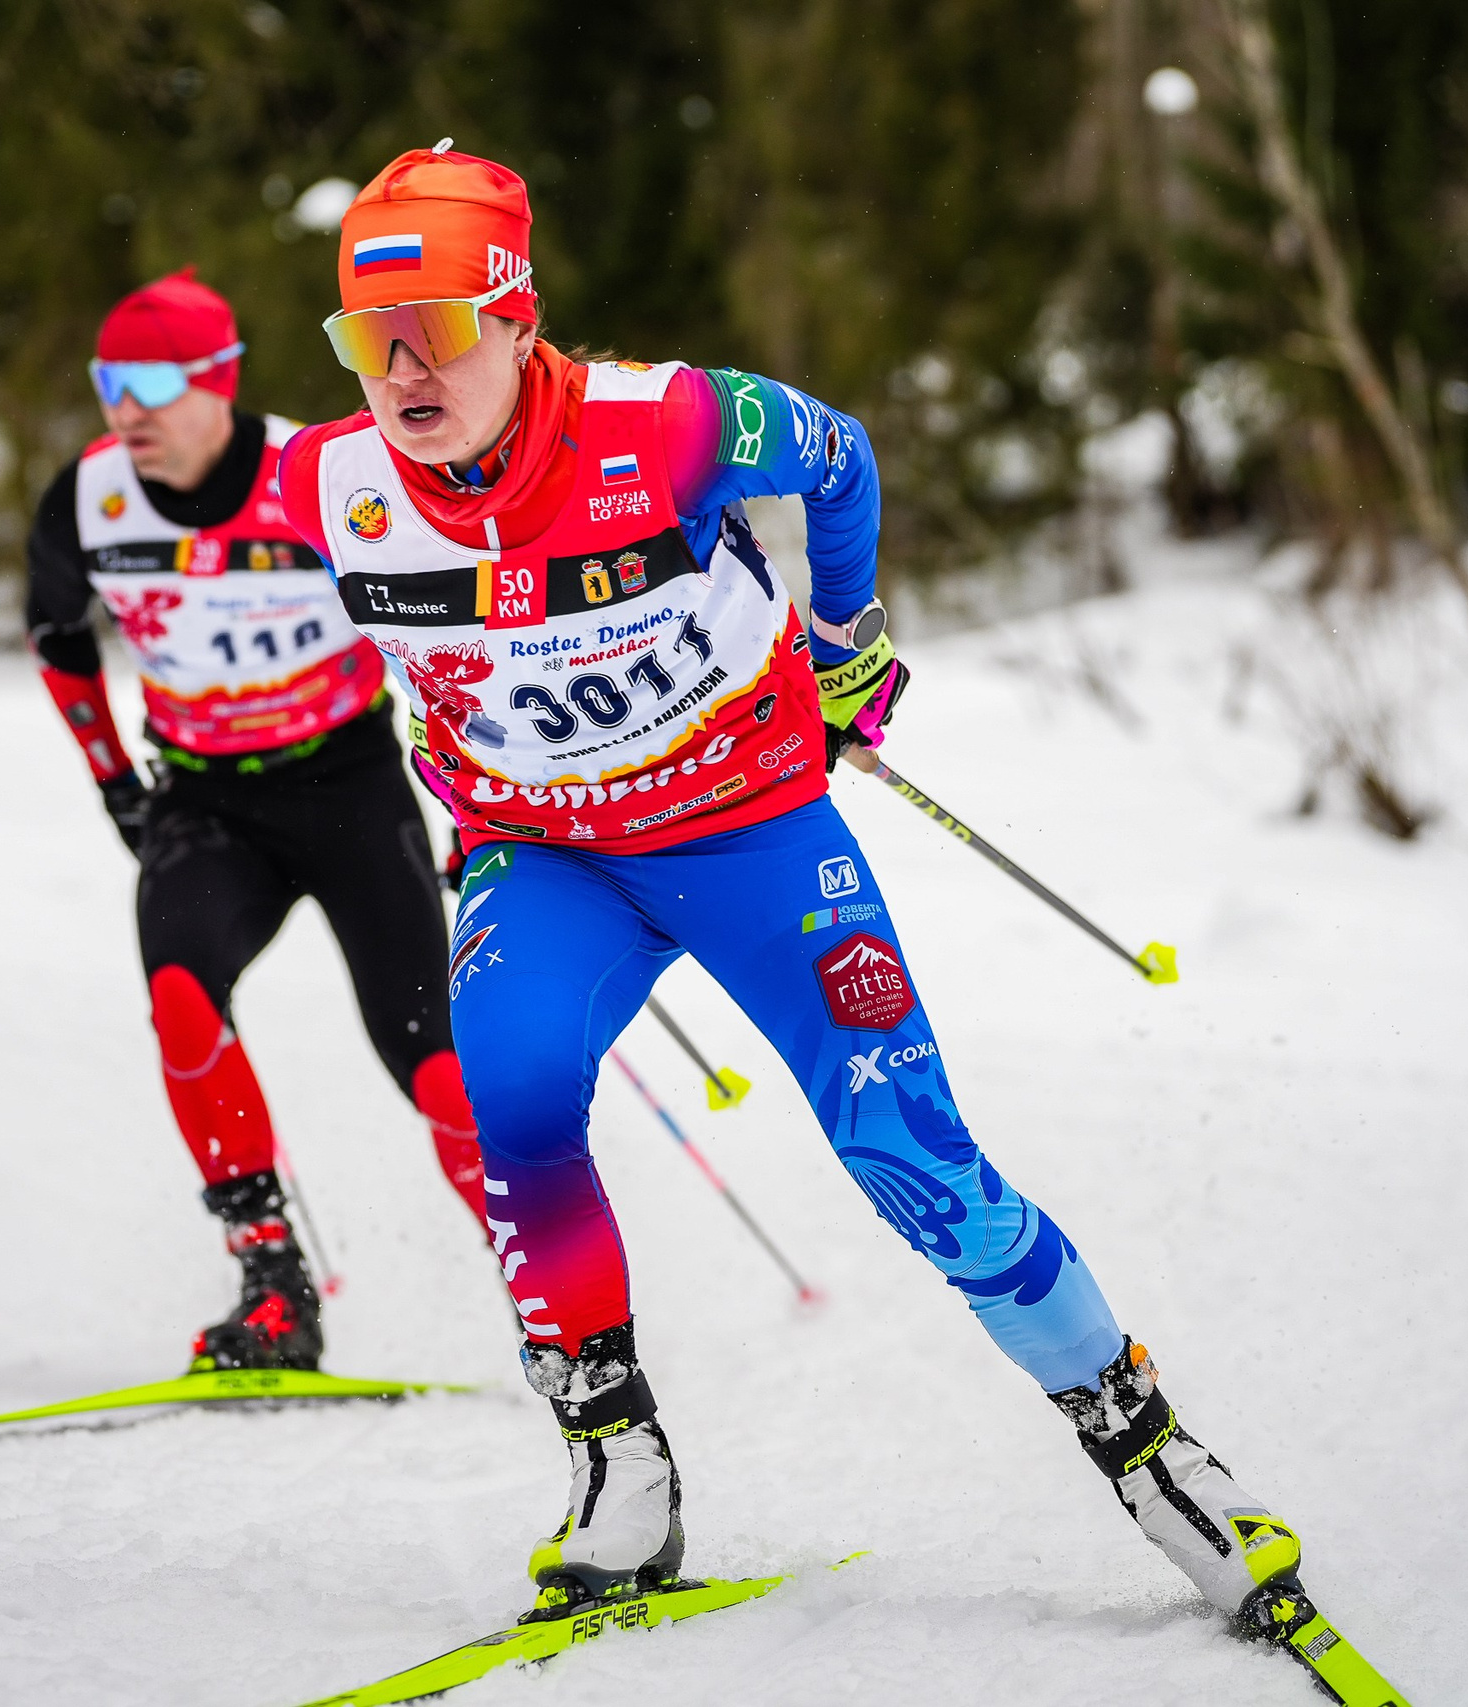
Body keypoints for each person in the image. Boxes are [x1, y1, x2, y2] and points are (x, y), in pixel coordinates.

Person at [278, 144, 1347, 1650]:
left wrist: (845, 630)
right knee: (505, 1090)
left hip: (751, 832)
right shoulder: (325, 481)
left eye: (438, 329)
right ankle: (617, 1469)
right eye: (363, 339)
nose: (400, 369)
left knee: (908, 1146)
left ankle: (1158, 1455)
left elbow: (838, 455)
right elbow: (188, 525)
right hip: (550, 855)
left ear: (519, 316)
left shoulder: (669, 421)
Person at [25, 268, 484, 1373]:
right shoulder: (87, 498)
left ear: (217, 383)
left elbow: (453, 626)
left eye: (150, 382)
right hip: (206, 797)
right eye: (106, 382)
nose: (123, 408)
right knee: (183, 1001)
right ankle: (272, 1284)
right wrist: (114, 785)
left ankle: (541, 1274)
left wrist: (475, 795)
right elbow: (56, 636)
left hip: (350, 782)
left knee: (429, 1053)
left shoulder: (323, 475)